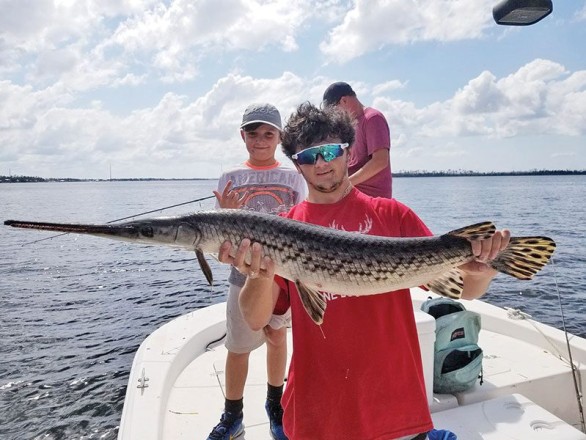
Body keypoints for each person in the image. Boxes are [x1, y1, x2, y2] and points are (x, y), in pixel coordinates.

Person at [217, 102, 511, 440]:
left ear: (348, 151)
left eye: (329, 151)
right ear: (297, 164)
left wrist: (483, 269)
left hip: (395, 405)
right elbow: (256, 319)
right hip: (317, 410)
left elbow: (465, 290)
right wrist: (258, 273)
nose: (322, 163)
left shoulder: (393, 215)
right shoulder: (285, 228)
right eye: (309, 156)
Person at [207, 103, 306, 440]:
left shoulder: (295, 176)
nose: (260, 139)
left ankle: (274, 406)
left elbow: (303, 221)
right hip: (242, 274)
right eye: (253, 132)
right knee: (238, 346)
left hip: (284, 272)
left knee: (277, 337)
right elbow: (220, 241)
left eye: (268, 133)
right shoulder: (230, 177)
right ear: (242, 136)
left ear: (279, 137)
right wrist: (226, 217)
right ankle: (232, 414)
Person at [322, 81, 393, 198]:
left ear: (344, 101)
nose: (335, 116)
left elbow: (380, 161)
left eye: (334, 111)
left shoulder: (372, 118)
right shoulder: (350, 126)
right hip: (353, 197)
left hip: (373, 200)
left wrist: (345, 185)